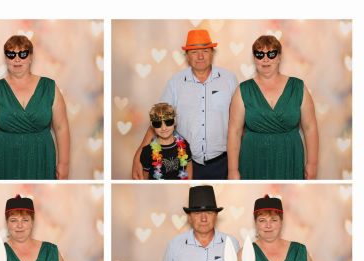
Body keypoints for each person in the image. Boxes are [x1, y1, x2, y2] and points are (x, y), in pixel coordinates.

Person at [132, 29, 238, 180]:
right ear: (187, 55)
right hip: (185, 164)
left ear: (212, 53)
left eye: (205, 51)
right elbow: (160, 117)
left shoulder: (229, 79)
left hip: (224, 162)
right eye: (194, 52)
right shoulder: (175, 83)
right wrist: (139, 153)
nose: (200, 56)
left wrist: (236, 167)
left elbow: (239, 121)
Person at [227, 34, 319, 180]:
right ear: (254, 58)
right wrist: (232, 170)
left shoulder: (298, 87)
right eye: (260, 54)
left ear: (279, 57)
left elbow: (310, 127)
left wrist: (312, 164)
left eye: (271, 54)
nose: (265, 59)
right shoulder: (243, 90)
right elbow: (235, 132)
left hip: (290, 156)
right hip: (253, 158)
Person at [0, 35, 70, 180]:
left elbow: (61, 128)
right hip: (4, 159)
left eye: (22, 54)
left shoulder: (49, 87)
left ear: (31, 57)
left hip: (41, 157)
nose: (17, 59)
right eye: (11, 54)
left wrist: (64, 164)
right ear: (6, 58)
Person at [139, 103, 193, 180]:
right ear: (152, 126)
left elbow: (189, 167)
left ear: (174, 122)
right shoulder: (147, 151)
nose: (164, 128)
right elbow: (145, 178)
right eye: (158, 124)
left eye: (168, 122)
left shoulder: (184, 145)